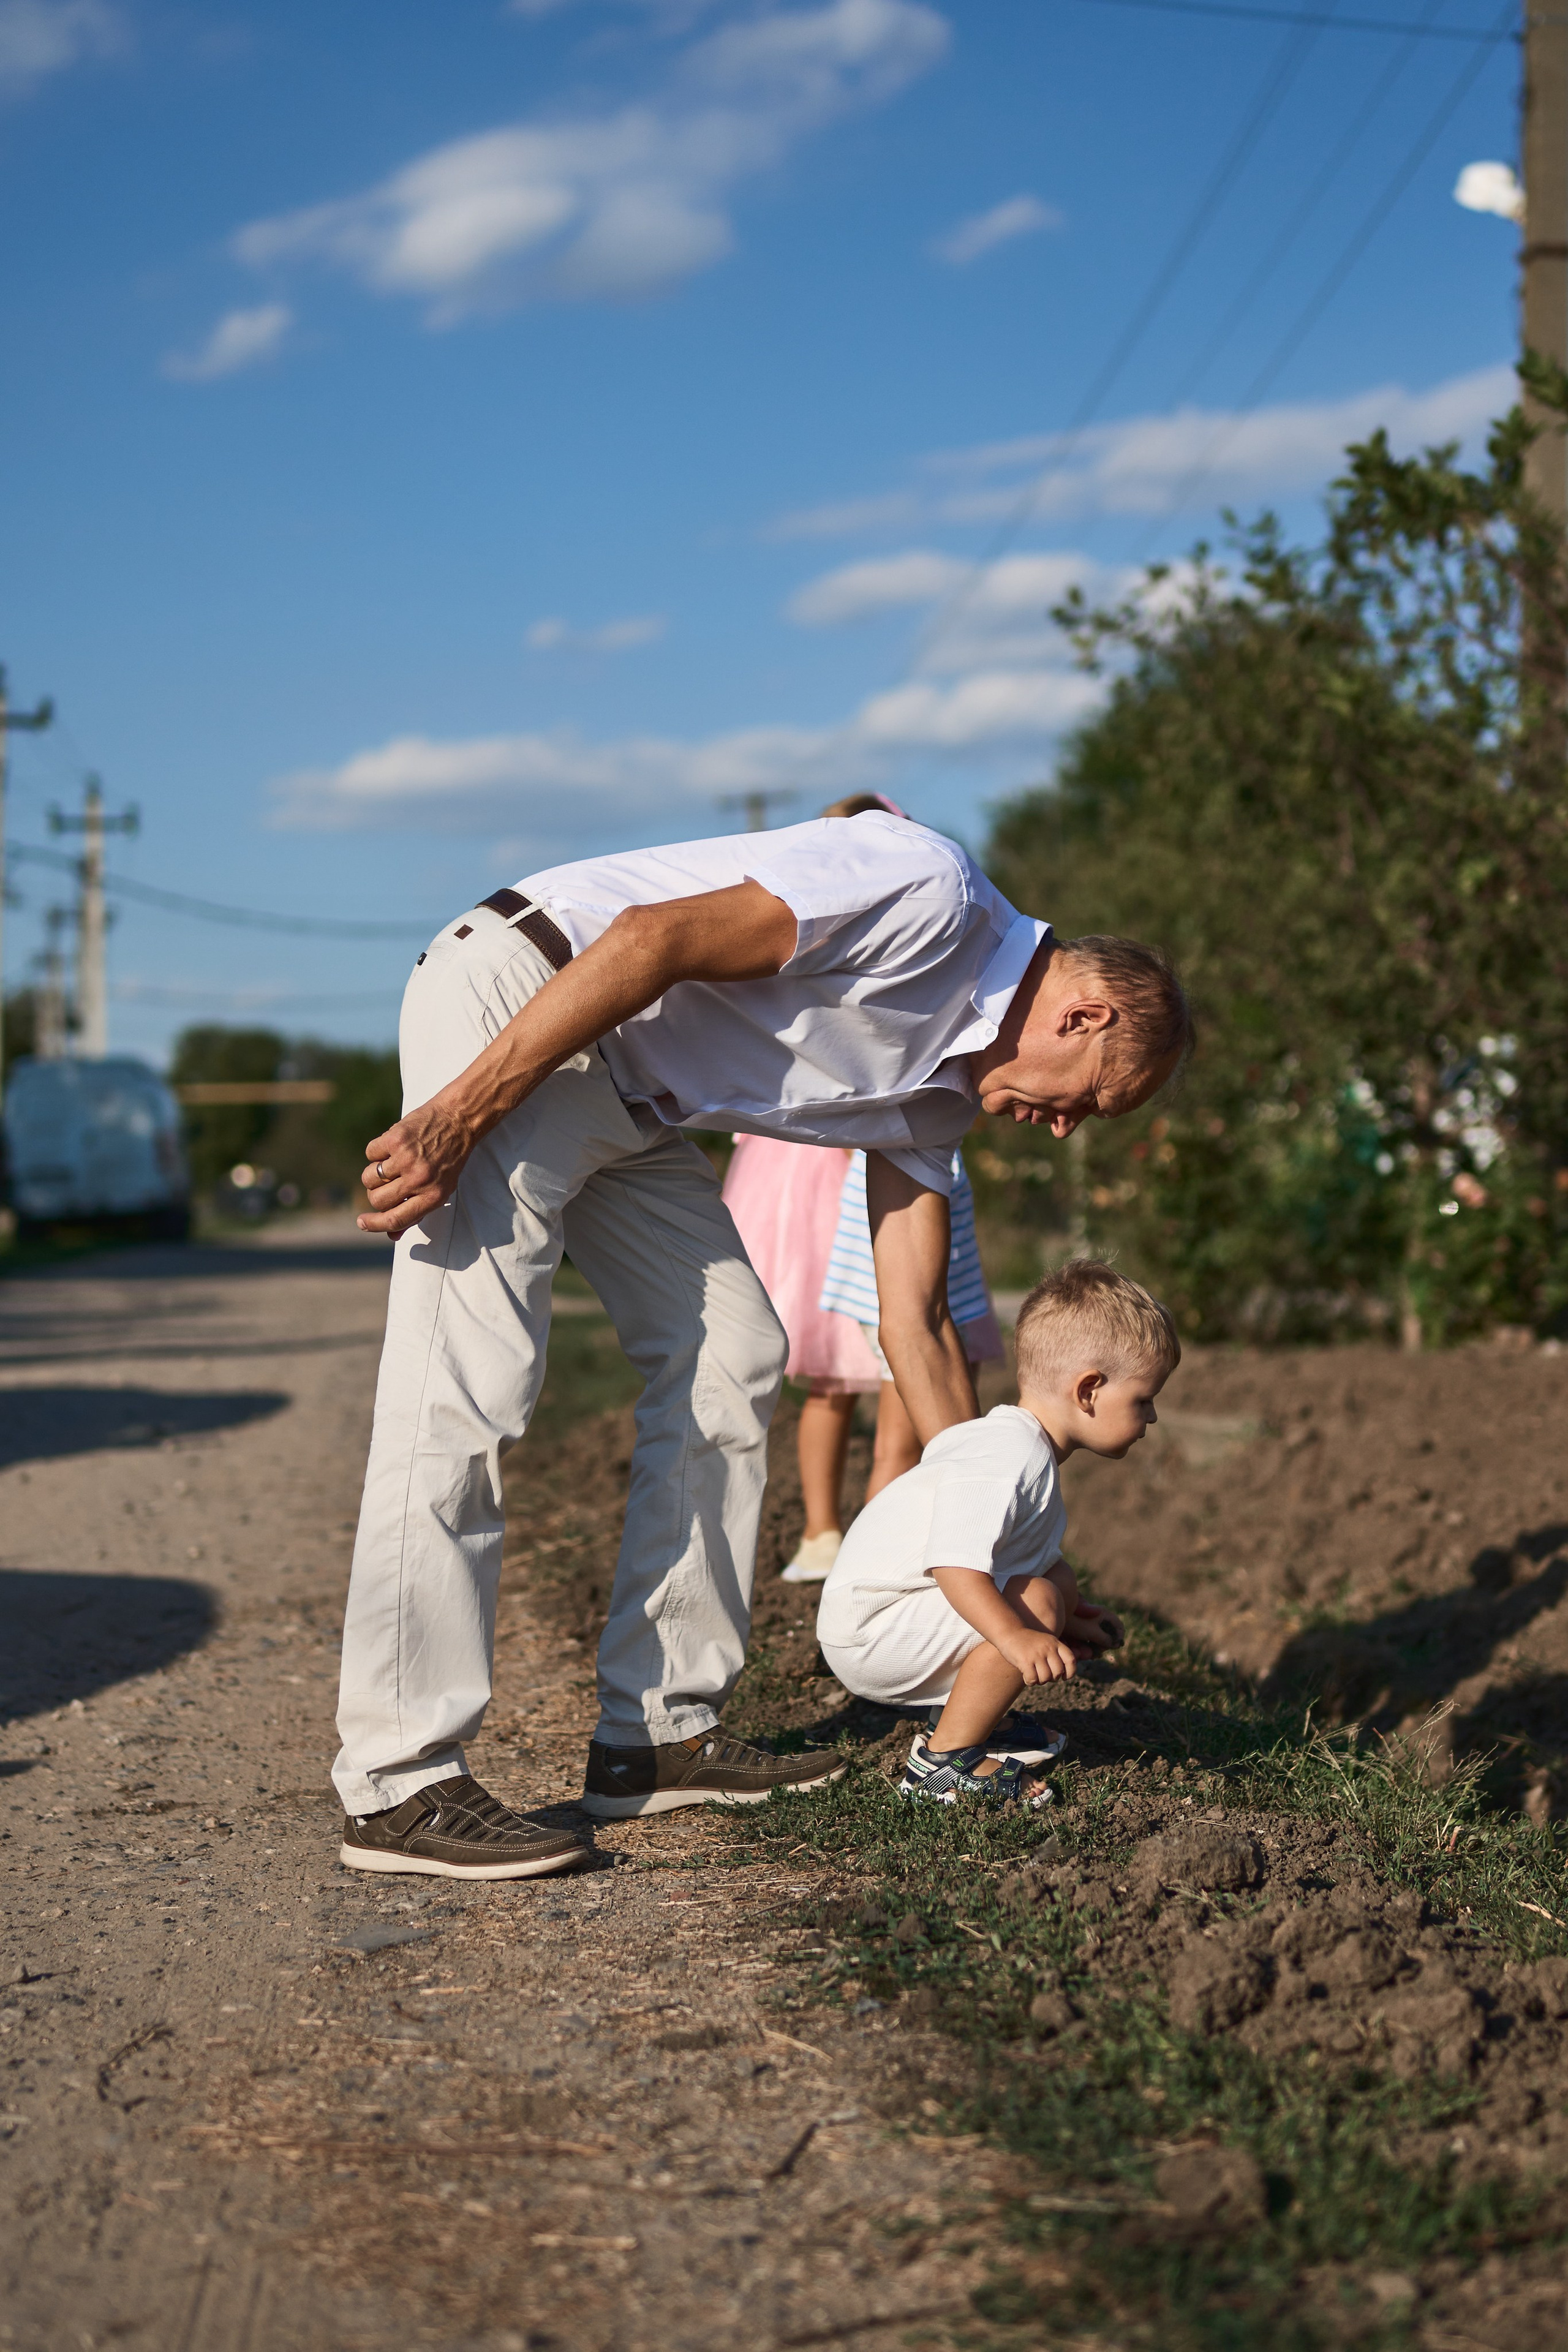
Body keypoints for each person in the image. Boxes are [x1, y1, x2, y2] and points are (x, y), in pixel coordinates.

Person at [334, 809, 1191, 1880]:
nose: (1065, 1128)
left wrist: (1009, 1539)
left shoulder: (939, 1101)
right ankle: (398, 1780)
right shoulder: (931, 893)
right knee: (466, 1382)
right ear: (1084, 1016)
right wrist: (460, 1112)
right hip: (531, 1003)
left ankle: (655, 1734)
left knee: (733, 1351)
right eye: (1092, 1102)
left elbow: (918, 1324)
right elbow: (652, 938)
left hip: (626, 1092)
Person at [816, 1261, 1179, 1805]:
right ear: (1088, 1390)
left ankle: (974, 1718)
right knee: (1039, 1599)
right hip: (871, 1633)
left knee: (1056, 1582)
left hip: (892, 1617)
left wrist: (1073, 1619)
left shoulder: (1017, 1445)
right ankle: (942, 1762)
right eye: (1143, 1399)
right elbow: (954, 1566)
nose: (1151, 1417)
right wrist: (1016, 1638)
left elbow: (1020, 1562)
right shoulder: (1009, 1456)